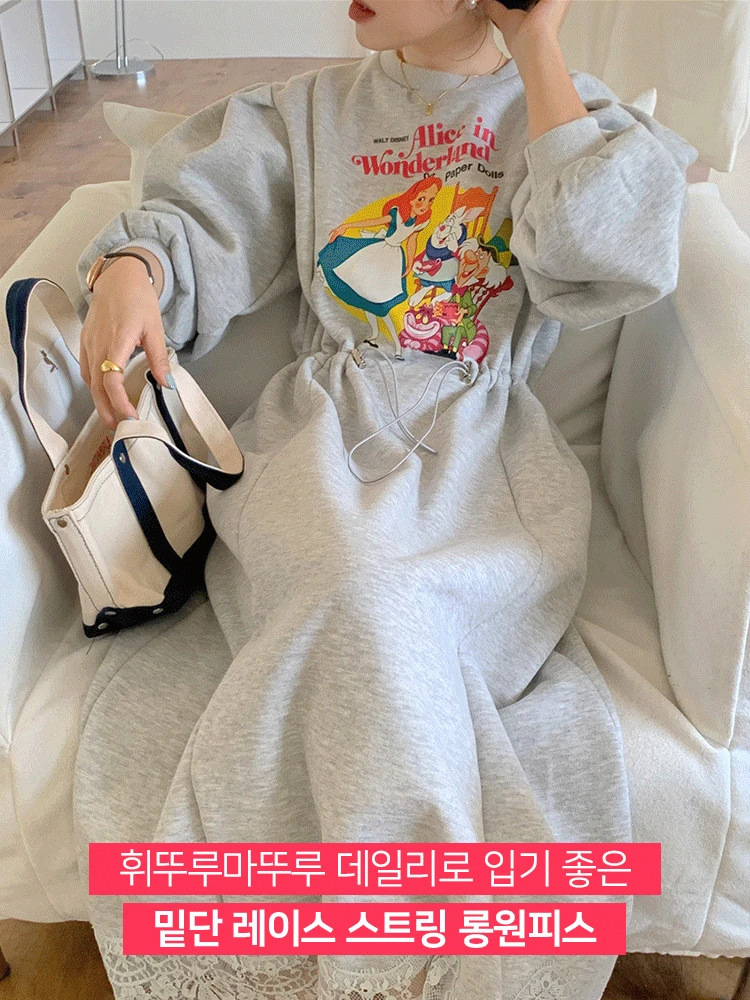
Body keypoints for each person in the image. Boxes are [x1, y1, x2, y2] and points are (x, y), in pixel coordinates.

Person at [74, 0, 699, 998]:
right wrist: (130, 265)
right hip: (319, 440)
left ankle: (379, 957)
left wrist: (537, 45)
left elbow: (609, 253)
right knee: (355, 591)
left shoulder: (570, 120)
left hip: (485, 462)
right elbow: (198, 223)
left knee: (395, 607)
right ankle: (391, 961)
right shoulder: (305, 113)